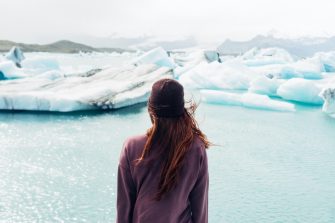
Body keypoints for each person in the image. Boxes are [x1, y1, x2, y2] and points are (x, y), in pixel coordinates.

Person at [117, 78, 210, 223]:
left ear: (150, 110)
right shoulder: (195, 148)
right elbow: (200, 207)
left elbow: (124, 206)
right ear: (181, 110)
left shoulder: (132, 146)